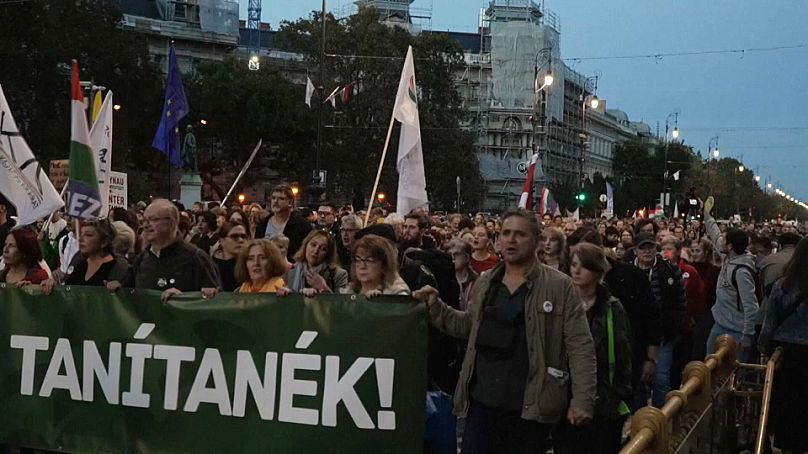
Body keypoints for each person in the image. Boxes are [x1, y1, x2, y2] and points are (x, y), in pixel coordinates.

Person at [413, 208, 596, 454]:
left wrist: (582, 399)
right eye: (506, 233)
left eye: (520, 234)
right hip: (482, 404)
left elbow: (580, 345)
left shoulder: (559, 286)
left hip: (531, 409)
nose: (511, 240)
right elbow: (469, 327)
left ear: (536, 240)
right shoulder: (486, 282)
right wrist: (436, 308)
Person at [555, 243, 632, 454]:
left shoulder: (611, 308)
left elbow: (622, 353)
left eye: (583, 266)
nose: (576, 271)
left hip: (604, 401)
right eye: (573, 265)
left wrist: (617, 395)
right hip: (565, 397)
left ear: (597, 271)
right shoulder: (562, 303)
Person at [107, 199, 220, 302]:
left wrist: (184, 299)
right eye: (144, 220)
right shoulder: (141, 259)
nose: (146, 225)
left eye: (153, 219)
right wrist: (116, 287)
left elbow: (215, 303)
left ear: (172, 222)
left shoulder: (197, 258)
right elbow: (127, 295)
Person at [758, 237, 808, 453]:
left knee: (789, 406)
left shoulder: (782, 285)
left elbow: (769, 323)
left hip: (785, 354)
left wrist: (763, 349)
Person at [632, 232, 686, 408]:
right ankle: (640, 420)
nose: (647, 252)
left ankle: (659, 417)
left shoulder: (669, 269)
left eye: (651, 247)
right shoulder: (628, 272)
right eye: (643, 248)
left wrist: (678, 326)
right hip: (637, 335)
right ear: (635, 251)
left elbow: (680, 300)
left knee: (661, 378)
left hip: (664, 333)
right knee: (637, 378)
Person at [703, 197, 759, 361]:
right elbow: (714, 234)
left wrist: (747, 335)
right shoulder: (728, 257)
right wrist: (707, 214)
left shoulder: (741, 272)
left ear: (730, 247)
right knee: (710, 366)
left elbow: (751, 306)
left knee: (732, 374)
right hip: (719, 324)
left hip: (737, 331)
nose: (720, 240)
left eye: (724, 240)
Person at [42, 219, 129, 293]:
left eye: (88, 235)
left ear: (104, 242)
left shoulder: (119, 268)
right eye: (81, 234)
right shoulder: (78, 260)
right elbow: (67, 289)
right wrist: (53, 284)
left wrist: (120, 291)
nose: (81, 239)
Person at [255, 184, 313, 261]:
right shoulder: (262, 224)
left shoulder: (302, 226)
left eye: (281, 199)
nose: (275, 201)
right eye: (273, 198)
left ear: (290, 202)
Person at [285, 230, 349, 296]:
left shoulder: (339, 274)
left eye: (323, 249)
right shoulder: (292, 270)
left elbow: (342, 304)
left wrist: (324, 288)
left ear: (328, 254)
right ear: (306, 245)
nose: (316, 251)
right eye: (313, 245)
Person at [345, 234, 410, 297]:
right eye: (358, 260)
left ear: (384, 265)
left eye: (369, 260)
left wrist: (377, 302)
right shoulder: (347, 292)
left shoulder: (397, 294)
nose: (362, 266)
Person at [689, 237, 722, 360]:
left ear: (706, 252)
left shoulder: (714, 271)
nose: (695, 254)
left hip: (705, 315)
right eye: (692, 251)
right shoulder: (688, 268)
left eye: (698, 251)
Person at [211, 222, 248, 292]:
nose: (241, 240)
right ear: (221, 241)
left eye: (243, 236)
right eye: (234, 237)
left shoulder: (250, 263)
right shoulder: (211, 265)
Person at [448, 239, 478, 310]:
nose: (453, 258)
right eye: (450, 255)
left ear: (467, 257)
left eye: (456, 254)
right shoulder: (445, 280)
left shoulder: (477, 281)